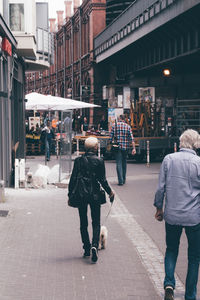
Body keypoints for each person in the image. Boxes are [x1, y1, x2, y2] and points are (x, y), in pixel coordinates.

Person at [154, 129, 200, 300]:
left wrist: (159, 208)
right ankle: (190, 295)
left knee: (171, 249)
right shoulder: (198, 162)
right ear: (196, 144)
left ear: (181, 143)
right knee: (194, 257)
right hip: (194, 217)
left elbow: (160, 188)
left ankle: (169, 283)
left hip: (172, 215)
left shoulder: (168, 159)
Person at [68, 137, 114, 263]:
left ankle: (86, 248)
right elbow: (102, 180)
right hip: (95, 195)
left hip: (81, 194)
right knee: (96, 222)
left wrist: (69, 195)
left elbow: (73, 179)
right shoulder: (99, 161)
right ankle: (95, 245)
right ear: (95, 148)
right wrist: (110, 192)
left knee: (83, 223)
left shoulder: (78, 161)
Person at [110, 114, 136, 185]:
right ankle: (124, 179)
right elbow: (131, 139)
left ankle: (120, 180)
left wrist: (111, 142)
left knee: (118, 163)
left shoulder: (114, 126)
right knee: (124, 163)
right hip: (126, 147)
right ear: (124, 119)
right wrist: (134, 148)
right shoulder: (128, 126)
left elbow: (110, 137)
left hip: (117, 147)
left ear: (119, 119)